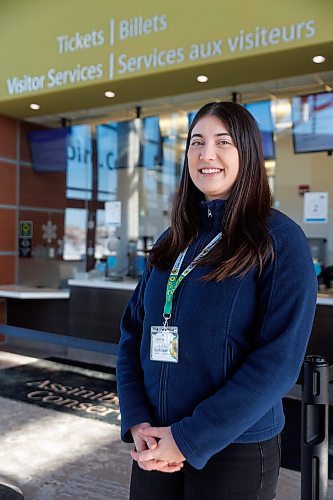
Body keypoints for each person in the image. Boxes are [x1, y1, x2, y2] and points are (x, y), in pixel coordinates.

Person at [116, 101, 318, 499]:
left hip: (235, 448)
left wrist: (189, 439)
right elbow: (131, 336)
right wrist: (137, 421)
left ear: (247, 153)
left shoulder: (279, 240)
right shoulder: (171, 241)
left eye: (222, 142)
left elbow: (276, 365)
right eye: (196, 142)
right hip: (155, 440)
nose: (206, 154)